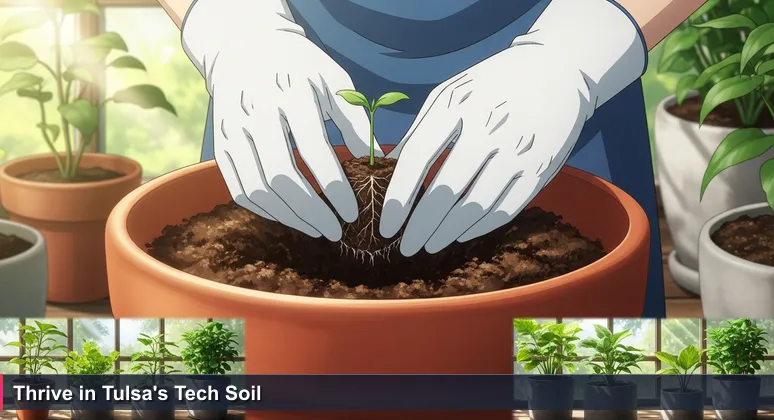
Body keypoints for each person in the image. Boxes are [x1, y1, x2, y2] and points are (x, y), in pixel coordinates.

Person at [157, 0, 707, 317]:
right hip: (283, 78)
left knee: (581, 375)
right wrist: (237, 28)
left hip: (555, 85)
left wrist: (577, 55)